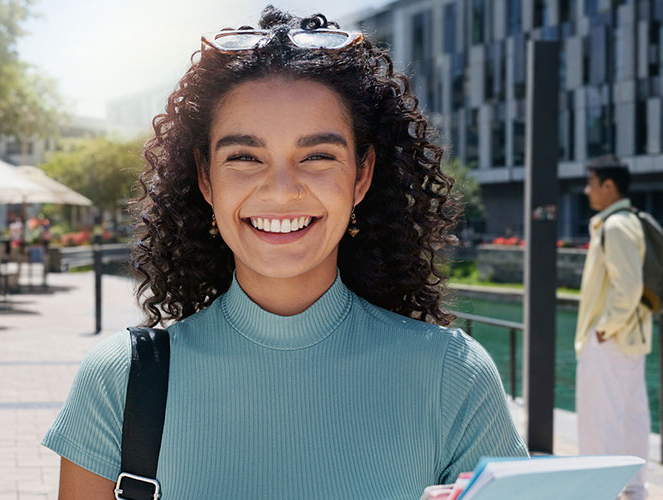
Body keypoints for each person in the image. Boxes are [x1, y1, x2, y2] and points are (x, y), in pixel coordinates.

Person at [43, 7, 527, 499]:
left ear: (361, 176)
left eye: (317, 156)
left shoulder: (454, 377)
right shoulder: (119, 381)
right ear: (206, 179)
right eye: (244, 157)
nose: (281, 191)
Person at [575, 156, 650, 500]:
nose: (587, 190)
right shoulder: (630, 221)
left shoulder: (615, 226)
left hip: (610, 337)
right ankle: (634, 489)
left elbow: (628, 287)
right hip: (632, 336)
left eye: (592, 183)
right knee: (632, 416)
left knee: (598, 420)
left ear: (609, 185)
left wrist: (604, 328)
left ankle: (595, 491)